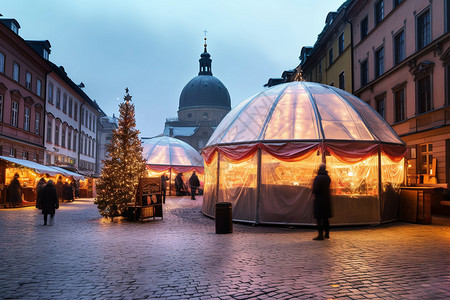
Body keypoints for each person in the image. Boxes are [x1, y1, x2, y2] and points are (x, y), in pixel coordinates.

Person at [312, 163, 332, 240]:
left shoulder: (317, 178)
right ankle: (327, 233)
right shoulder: (328, 177)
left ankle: (320, 235)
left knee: (319, 218)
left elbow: (315, 190)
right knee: (325, 218)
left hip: (319, 200)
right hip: (327, 200)